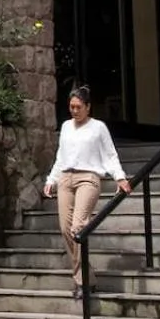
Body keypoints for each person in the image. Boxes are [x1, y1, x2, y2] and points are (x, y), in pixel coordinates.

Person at [41, 85, 130, 298]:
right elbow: (61, 156)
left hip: (88, 178)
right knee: (65, 229)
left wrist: (119, 177)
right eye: (71, 107)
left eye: (78, 107)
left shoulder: (98, 128)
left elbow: (110, 155)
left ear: (88, 107)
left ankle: (82, 282)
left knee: (78, 227)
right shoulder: (66, 126)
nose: (74, 111)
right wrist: (51, 179)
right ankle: (87, 276)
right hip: (66, 178)